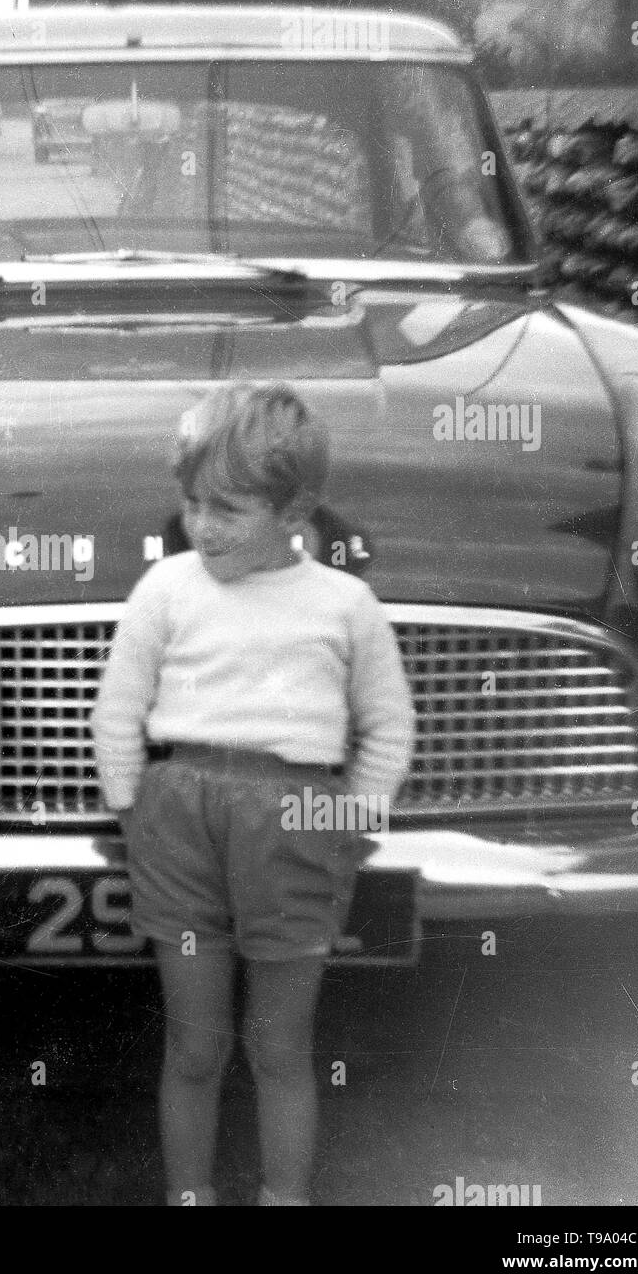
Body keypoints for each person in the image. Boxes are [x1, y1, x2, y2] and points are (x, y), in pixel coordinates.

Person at [91, 381, 415, 1207]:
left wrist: (355, 816)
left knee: (280, 1046)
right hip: (177, 818)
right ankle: (188, 1195)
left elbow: (385, 724)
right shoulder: (164, 590)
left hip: (296, 822)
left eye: (228, 508)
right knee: (194, 1044)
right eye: (191, 502)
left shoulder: (343, 604)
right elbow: (120, 705)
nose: (201, 526)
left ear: (296, 507)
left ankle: (283, 1195)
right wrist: (130, 803)